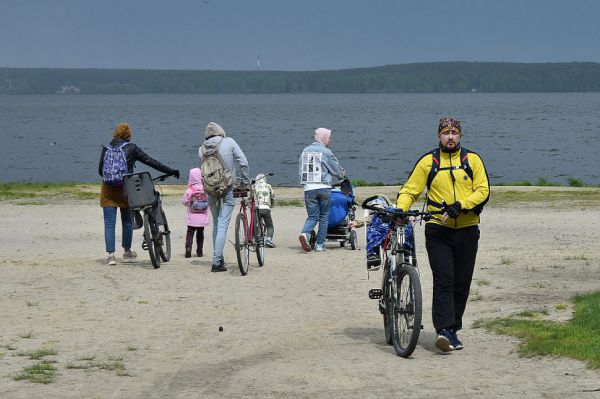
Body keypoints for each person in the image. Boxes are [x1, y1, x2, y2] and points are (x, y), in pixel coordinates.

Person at [395, 116, 489, 352]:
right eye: (445, 133)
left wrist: (461, 204)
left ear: (460, 136)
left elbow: (483, 190)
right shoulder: (428, 162)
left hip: (467, 229)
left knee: (462, 282)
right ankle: (444, 330)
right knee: (444, 279)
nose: (450, 137)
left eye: (454, 133)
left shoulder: (472, 160)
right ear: (439, 136)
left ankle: (454, 329)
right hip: (438, 229)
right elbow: (410, 190)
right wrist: (401, 209)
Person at [98, 122, 179, 266]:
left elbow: (100, 171)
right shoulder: (131, 148)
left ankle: (111, 256)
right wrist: (170, 170)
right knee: (127, 221)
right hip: (125, 188)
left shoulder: (106, 148)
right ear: (128, 135)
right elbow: (150, 161)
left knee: (109, 223)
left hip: (108, 190)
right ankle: (127, 252)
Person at [199, 122, 250, 272]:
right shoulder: (228, 142)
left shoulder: (201, 149)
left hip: (210, 190)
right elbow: (243, 162)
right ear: (221, 131)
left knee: (216, 224)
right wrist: (245, 181)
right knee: (222, 224)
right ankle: (216, 261)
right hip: (227, 187)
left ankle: (219, 258)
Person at [298, 127, 345, 252]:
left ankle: (305, 233)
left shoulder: (305, 151)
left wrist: (303, 183)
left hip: (309, 188)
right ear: (324, 137)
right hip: (323, 187)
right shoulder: (326, 152)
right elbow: (336, 169)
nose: (331, 140)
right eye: (329, 137)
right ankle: (320, 245)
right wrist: (342, 176)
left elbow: (301, 169)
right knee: (324, 216)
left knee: (312, 216)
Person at [182, 167, 210, 258]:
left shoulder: (190, 190)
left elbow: (185, 202)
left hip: (192, 217)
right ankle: (199, 251)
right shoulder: (205, 189)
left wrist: (190, 204)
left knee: (190, 233)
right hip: (202, 217)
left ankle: (188, 248)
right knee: (200, 234)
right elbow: (208, 201)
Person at [253, 173, 276, 248]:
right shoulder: (268, 186)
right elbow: (272, 197)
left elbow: (251, 198)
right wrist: (272, 204)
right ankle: (269, 240)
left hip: (257, 209)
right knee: (269, 226)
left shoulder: (254, 186)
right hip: (266, 208)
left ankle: (254, 239)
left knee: (255, 224)